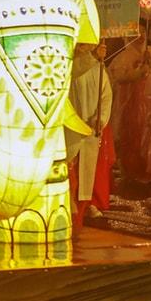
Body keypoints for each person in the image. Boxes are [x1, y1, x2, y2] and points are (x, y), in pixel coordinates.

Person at [67, 40, 114, 224]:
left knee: (88, 169)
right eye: (81, 45)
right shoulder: (70, 66)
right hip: (71, 127)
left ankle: (87, 204)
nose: (84, 49)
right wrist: (93, 57)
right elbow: (75, 71)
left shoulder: (99, 69)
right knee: (71, 168)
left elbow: (106, 96)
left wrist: (100, 119)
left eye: (87, 45)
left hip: (91, 128)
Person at [109, 27, 151, 181]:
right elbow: (116, 78)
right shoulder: (122, 57)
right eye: (135, 34)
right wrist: (137, 71)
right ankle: (130, 172)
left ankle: (147, 172)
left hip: (150, 106)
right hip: (128, 106)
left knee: (148, 137)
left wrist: (150, 65)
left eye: (142, 34)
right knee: (130, 137)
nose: (139, 37)